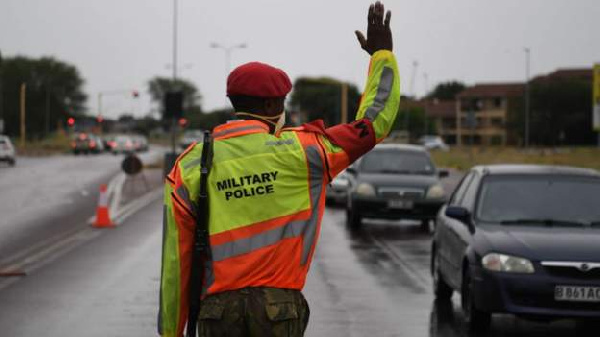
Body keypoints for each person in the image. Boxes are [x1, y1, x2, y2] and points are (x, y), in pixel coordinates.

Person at [158, 2, 400, 336]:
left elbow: (176, 262)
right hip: (279, 311)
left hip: (216, 314)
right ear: (273, 106)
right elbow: (375, 122)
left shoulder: (189, 164)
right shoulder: (306, 152)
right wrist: (382, 55)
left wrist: (171, 332)